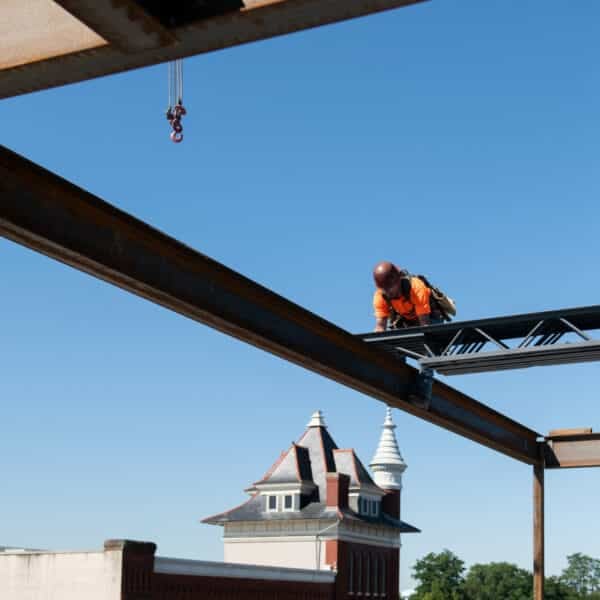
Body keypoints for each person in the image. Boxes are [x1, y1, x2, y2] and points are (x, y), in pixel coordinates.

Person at [372, 261, 442, 332]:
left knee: (430, 335)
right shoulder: (380, 295)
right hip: (407, 321)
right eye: (384, 289)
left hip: (429, 317)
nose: (387, 292)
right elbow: (380, 326)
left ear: (398, 280)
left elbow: (425, 325)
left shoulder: (416, 288)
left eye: (390, 288)